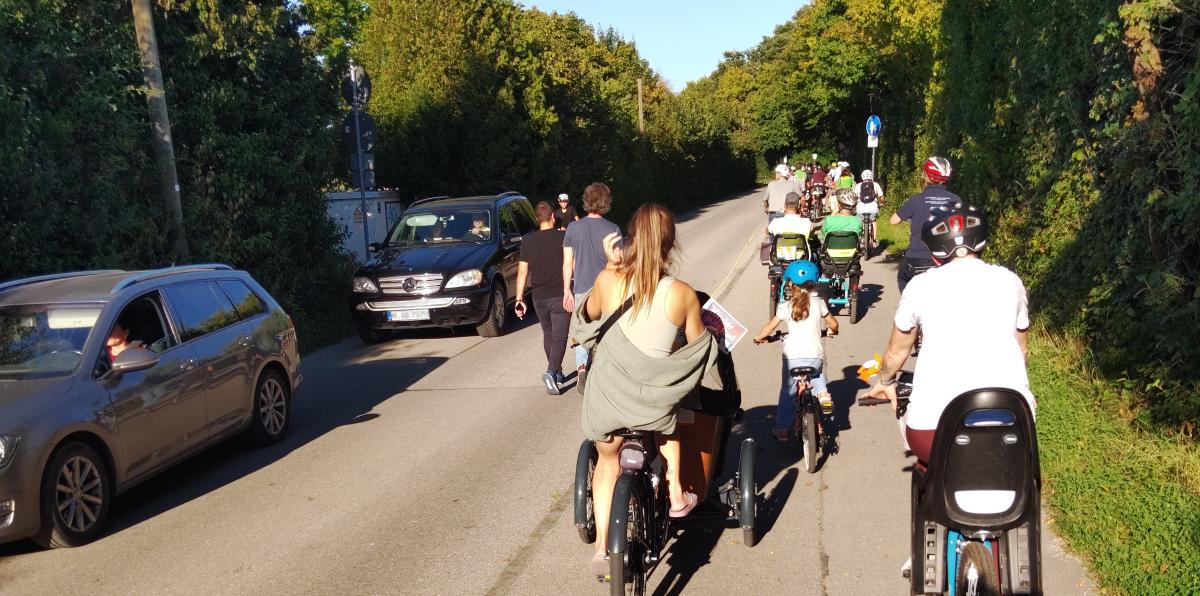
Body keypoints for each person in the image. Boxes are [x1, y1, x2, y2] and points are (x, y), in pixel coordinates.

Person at [574, 204, 718, 576]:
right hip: (653, 404)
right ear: (671, 244)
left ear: (629, 239)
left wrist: (611, 267)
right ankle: (676, 493)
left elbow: (588, 315)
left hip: (609, 397)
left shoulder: (608, 280)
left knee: (607, 461)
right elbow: (698, 348)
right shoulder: (683, 294)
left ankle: (602, 549)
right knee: (668, 416)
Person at [863, 202, 1034, 465]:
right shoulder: (1010, 281)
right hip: (1011, 420)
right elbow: (1021, 349)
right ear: (982, 245)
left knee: (928, 457)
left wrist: (885, 382)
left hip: (934, 428)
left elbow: (897, 351)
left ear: (934, 255)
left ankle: (928, 482)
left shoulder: (920, 286)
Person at [753, 260, 838, 441]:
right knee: (817, 374)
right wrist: (832, 331)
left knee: (787, 391)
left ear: (790, 283)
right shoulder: (819, 303)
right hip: (814, 356)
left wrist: (759, 337)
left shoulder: (785, 306)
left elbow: (769, 328)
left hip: (792, 358)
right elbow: (834, 324)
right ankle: (822, 394)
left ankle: (783, 429)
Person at [563, 182, 621, 392]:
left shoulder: (573, 228)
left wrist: (566, 291)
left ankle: (581, 368)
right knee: (605, 330)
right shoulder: (613, 229)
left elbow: (567, 263)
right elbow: (619, 263)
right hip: (607, 289)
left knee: (582, 330)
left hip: (581, 288)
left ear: (586, 201)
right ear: (606, 201)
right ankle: (602, 372)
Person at [516, 202, 569, 395]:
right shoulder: (563, 237)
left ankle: (558, 372)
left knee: (549, 334)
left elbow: (522, 273)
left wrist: (519, 299)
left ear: (537, 219)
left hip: (538, 298)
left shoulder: (528, 240)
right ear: (553, 217)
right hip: (559, 294)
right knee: (560, 337)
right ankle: (551, 372)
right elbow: (570, 264)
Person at [890, 156, 961, 293]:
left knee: (903, 279)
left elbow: (893, 220)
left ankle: (909, 304)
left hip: (916, 256)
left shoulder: (916, 199)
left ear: (927, 176)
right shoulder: (955, 200)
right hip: (945, 258)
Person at [853, 170, 885, 247]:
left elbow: (854, 197)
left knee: (860, 221)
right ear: (871, 176)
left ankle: (861, 238)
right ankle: (874, 240)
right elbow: (881, 197)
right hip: (873, 207)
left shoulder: (858, 185)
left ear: (862, 177)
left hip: (860, 207)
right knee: (873, 221)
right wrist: (882, 203)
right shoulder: (875, 184)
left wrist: (854, 205)